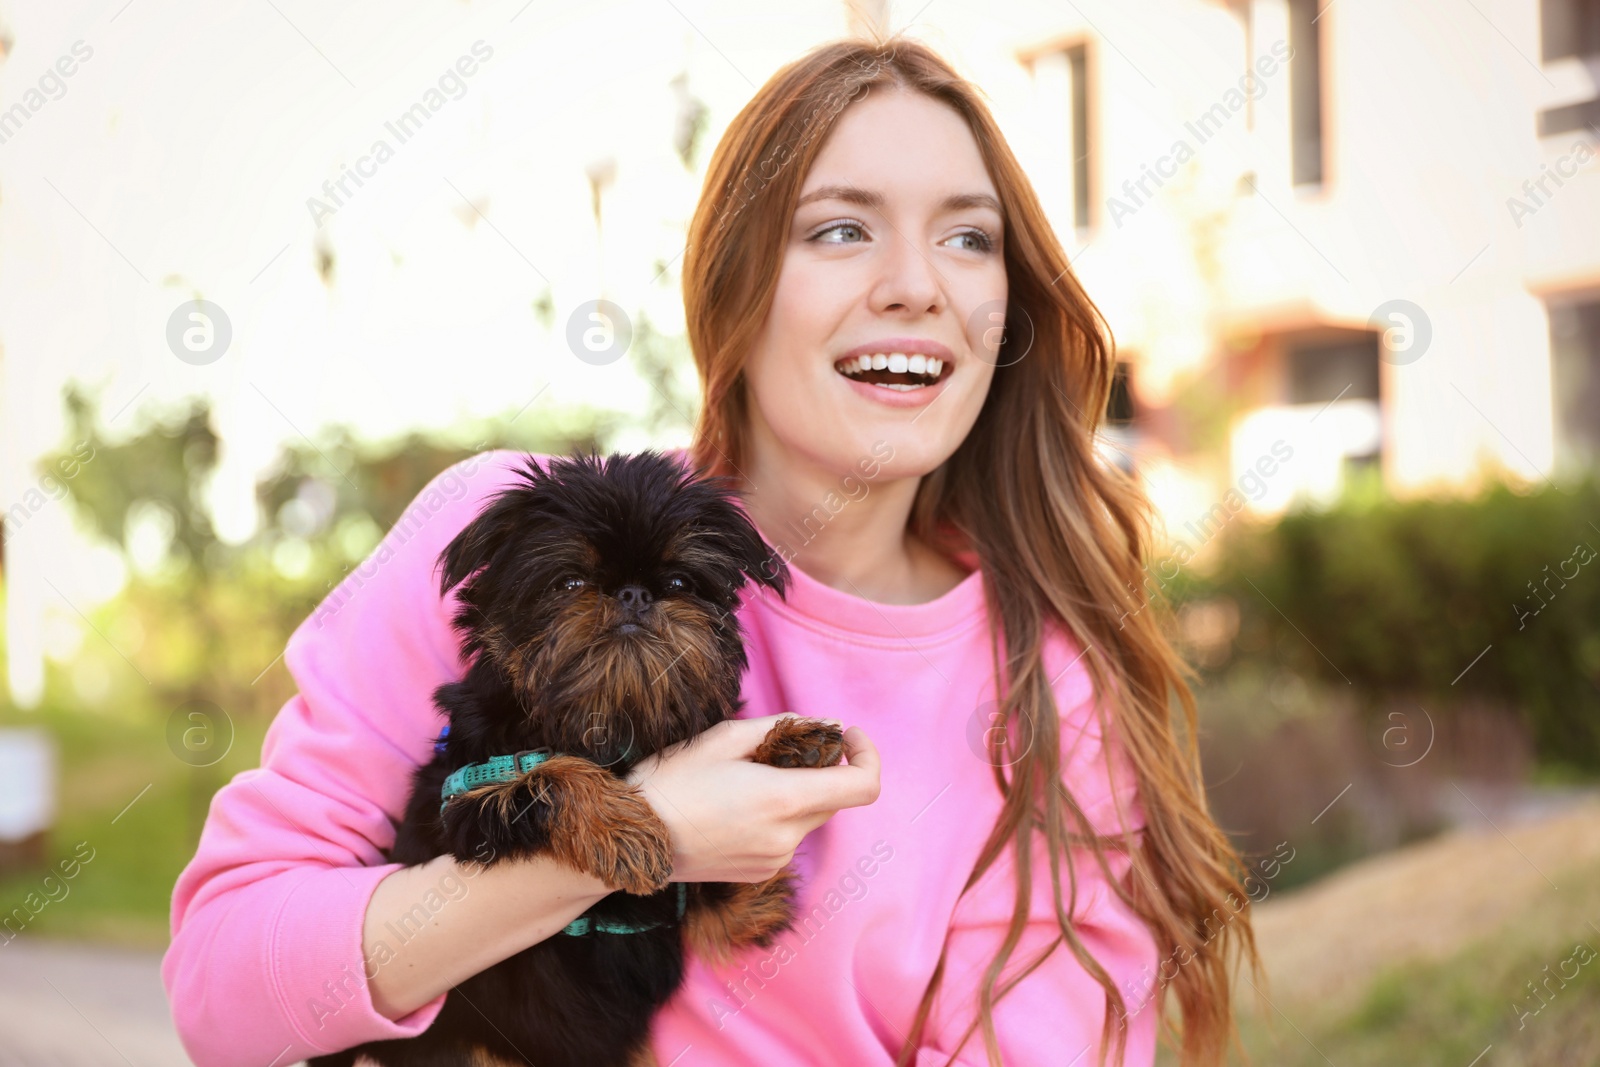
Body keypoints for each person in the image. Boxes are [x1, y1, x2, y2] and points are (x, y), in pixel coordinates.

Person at [162, 34, 1258, 1067]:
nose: (917, 282)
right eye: (841, 227)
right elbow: (225, 986)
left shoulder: (1047, 685)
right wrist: (642, 837)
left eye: (968, 236)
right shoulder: (506, 535)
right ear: (731, 287)